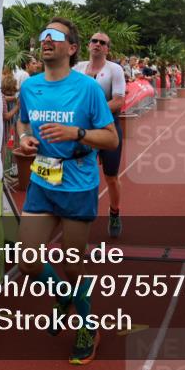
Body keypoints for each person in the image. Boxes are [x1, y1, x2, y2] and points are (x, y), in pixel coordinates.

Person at [15, 18, 117, 366]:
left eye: (54, 36)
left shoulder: (87, 89)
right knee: (26, 260)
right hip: (43, 181)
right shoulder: (29, 86)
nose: (46, 40)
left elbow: (111, 137)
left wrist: (77, 133)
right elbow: (24, 121)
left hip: (77, 183)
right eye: (42, 35)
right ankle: (64, 296)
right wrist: (23, 138)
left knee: (73, 266)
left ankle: (88, 326)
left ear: (71, 48)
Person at [73, 32, 126, 238]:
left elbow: (118, 101)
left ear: (107, 49)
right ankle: (77, 214)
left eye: (102, 43)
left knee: (111, 177)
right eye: (94, 41)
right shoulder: (77, 68)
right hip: (84, 131)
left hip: (108, 129)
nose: (97, 44)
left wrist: (93, 111)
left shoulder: (115, 69)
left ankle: (114, 212)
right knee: (80, 172)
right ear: (88, 45)